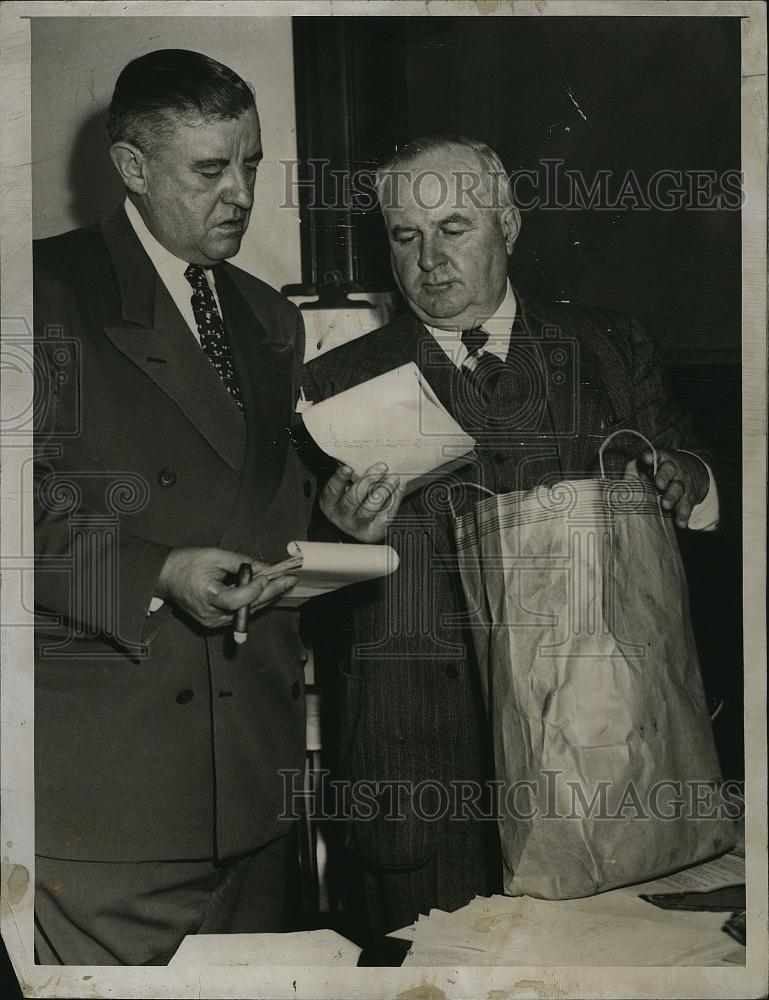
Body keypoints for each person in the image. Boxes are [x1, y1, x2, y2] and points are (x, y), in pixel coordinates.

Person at [303, 135, 719, 940]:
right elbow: (305, 588)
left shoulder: (608, 347)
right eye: (404, 236)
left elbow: (694, 474)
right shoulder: (334, 381)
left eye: (453, 227)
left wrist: (686, 480)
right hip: (421, 779)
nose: (428, 258)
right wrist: (338, 533)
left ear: (509, 224)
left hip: (600, 763)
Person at [32, 48, 388, 966]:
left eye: (252, 165)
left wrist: (333, 533)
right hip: (110, 796)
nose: (240, 193)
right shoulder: (39, 296)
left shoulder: (271, 319)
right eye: (210, 169)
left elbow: (255, 535)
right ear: (131, 168)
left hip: (253, 783)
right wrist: (155, 569)